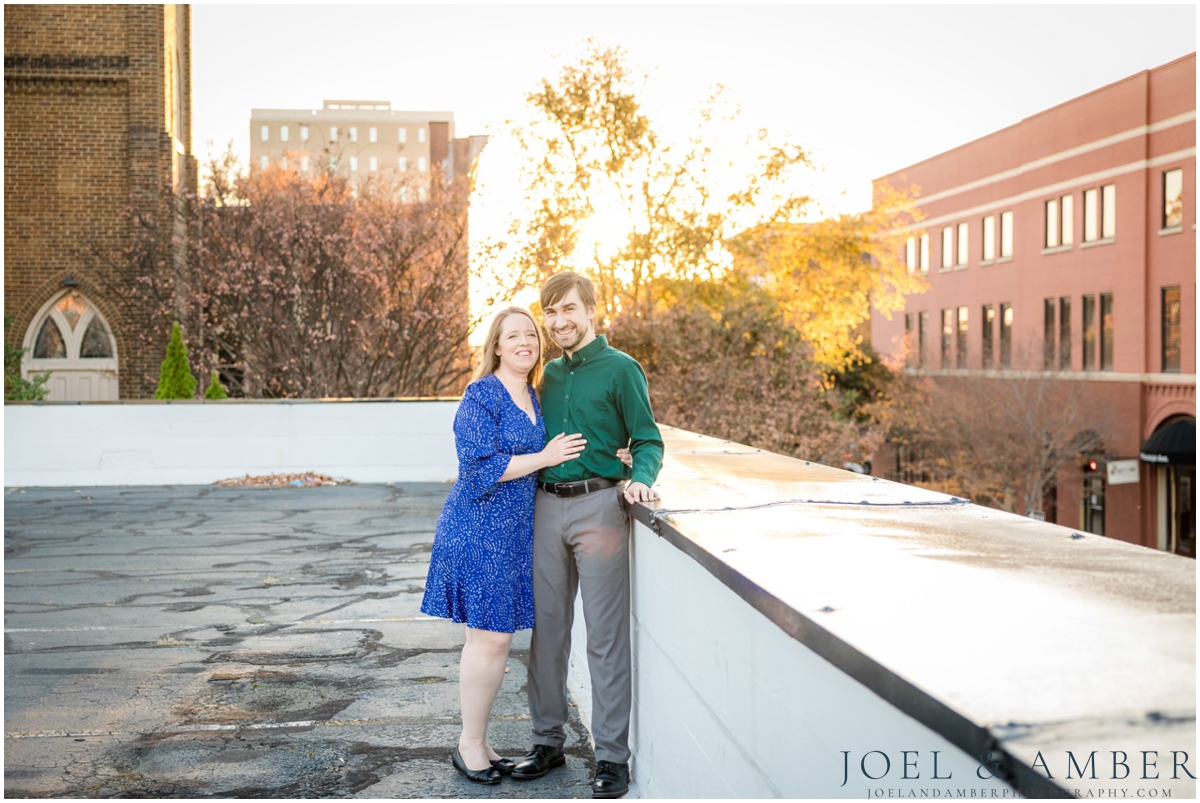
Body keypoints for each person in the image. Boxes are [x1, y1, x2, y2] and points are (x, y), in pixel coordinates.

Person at [420, 306, 588, 785]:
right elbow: (478, 468)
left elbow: (572, 444)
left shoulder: (537, 396)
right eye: (512, 336)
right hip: (477, 528)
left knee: (496, 640)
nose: (524, 342)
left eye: (530, 335)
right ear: (495, 345)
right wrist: (544, 456)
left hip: (515, 534)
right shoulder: (481, 395)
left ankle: (481, 741)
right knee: (490, 640)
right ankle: (468, 744)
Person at [512, 272, 664, 799]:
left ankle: (611, 758)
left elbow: (647, 439)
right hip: (545, 508)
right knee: (548, 633)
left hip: (601, 508)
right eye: (550, 313)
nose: (559, 323)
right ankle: (546, 742)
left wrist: (640, 478)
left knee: (604, 638)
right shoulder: (546, 375)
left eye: (568, 310)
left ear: (592, 310)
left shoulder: (623, 369)